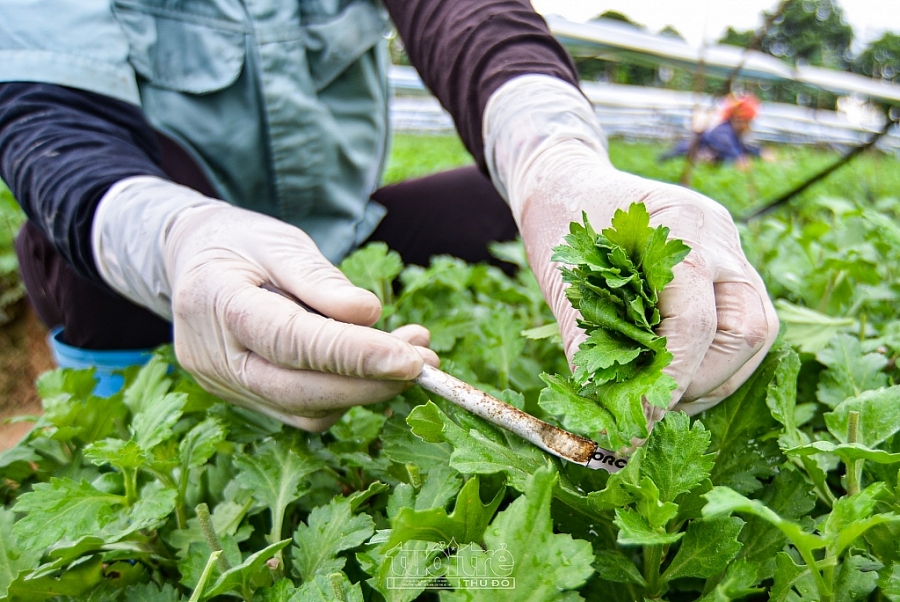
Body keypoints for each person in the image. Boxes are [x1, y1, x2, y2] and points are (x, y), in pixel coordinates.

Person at [0, 0, 778, 433]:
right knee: (81, 250)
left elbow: (468, 17)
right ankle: (118, 420)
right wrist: (178, 241)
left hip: (341, 239)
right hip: (178, 245)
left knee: (497, 208)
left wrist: (556, 164)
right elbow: (51, 125)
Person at [662, 93, 773, 170]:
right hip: (676, 160)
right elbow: (738, 159)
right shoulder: (722, 134)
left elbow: (742, 148)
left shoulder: (732, 133)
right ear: (740, 120)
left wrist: (759, 152)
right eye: (749, 122)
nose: (750, 126)